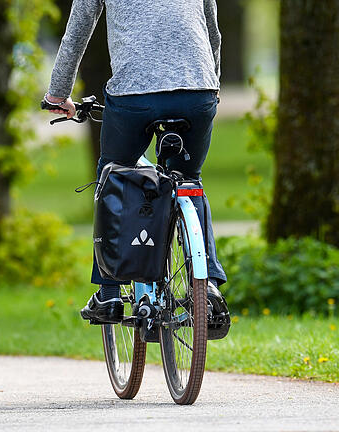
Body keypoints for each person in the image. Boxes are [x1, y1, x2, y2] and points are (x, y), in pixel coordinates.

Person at [44, 0, 229, 324]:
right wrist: (211, 87)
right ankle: (209, 285)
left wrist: (58, 95)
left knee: (113, 174)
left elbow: (77, 32)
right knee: (189, 179)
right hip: (198, 90)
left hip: (135, 96)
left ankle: (110, 292)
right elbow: (212, 31)